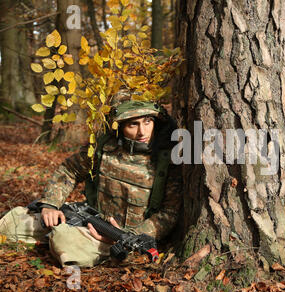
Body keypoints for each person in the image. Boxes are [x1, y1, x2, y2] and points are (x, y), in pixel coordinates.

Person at [0, 92, 182, 267]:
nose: (142, 131)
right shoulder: (104, 148)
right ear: (118, 127)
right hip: (88, 218)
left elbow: (169, 213)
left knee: (63, 242)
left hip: (120, 239)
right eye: (133, 124)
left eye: (148, 121)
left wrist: (128, 236)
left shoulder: (166, 160)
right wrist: (50, 204)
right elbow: (69, 170)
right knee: (11, 224)